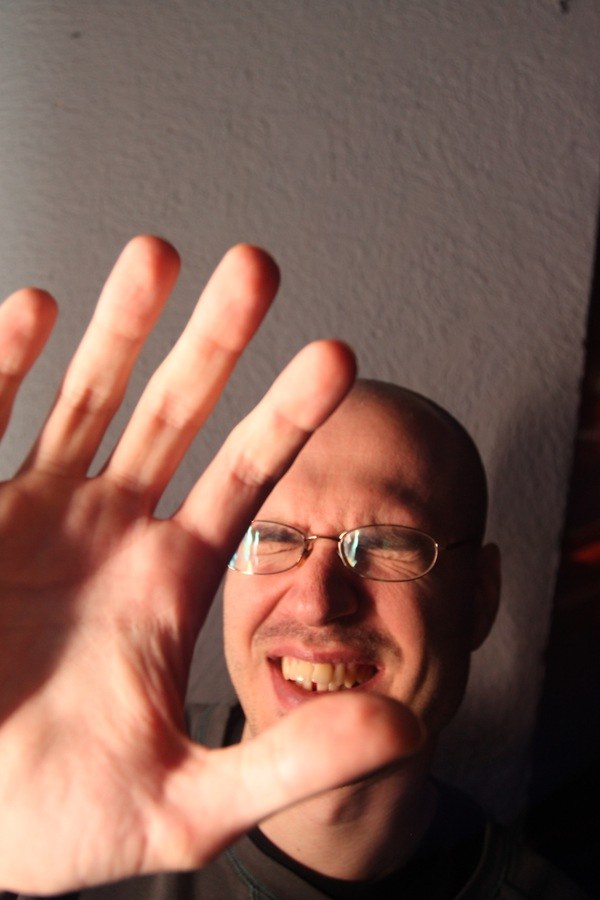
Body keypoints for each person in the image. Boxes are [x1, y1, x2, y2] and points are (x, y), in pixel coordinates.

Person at [0, 238, 588, 899]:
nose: (316, 601)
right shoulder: (63, 785)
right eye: (273, 537)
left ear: (479, 598)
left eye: (386, 544)